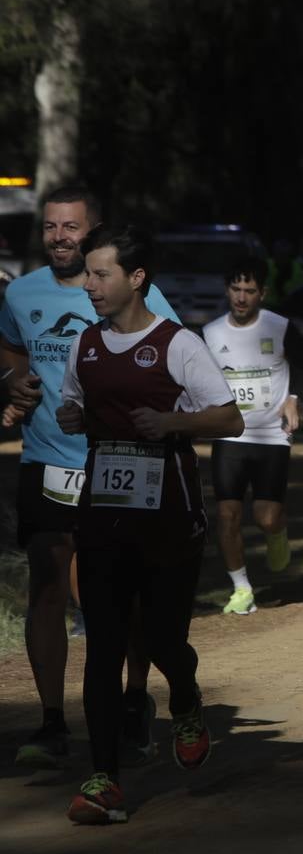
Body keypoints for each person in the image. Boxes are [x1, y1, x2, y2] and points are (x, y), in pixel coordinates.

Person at [57, 225, 244, 824]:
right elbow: (75, 405)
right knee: (103, 643)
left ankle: (185, 700)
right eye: (88, 273)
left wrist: (171, 424)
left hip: (167, 515)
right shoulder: (83, 344)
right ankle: (102, 779)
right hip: (103, 515)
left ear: (136, 278)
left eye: (101, 273)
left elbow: (231, 418)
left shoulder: (178, 344)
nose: (89, 285)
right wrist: (71, 413)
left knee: (163, 640)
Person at [0, 185, 178, 770]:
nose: (59, 237)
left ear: (95, 229)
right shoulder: (21, 293)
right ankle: (52, 721)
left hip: (119, 463)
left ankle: (132, 700)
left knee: (117, 596)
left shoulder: (127, 287)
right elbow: (13, 357)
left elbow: (172, 354)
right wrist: (12, 385)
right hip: (47, 462)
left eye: (71, 227)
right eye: (51, 227)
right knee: (48, 585)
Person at [202, 257, 303, 615]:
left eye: (249, 290)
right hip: (230, 436)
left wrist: (294, 400)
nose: (241, 297)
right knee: (227, 515)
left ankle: (277, 533)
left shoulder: (280, 327)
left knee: (267, 516)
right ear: (227, 290)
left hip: (272, 435)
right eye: (235, 289)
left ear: (262, 293)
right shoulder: (209, 333)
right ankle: (241, 588)